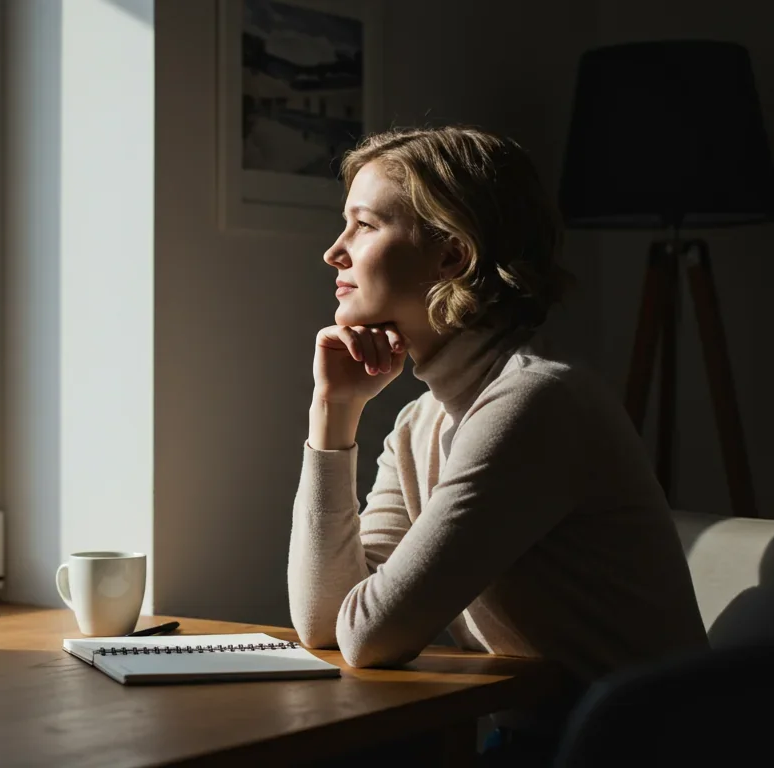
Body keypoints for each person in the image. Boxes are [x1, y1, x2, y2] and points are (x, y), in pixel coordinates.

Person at [287, 126, 709, 766]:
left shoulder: (535, 405)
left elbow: (369, 636)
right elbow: (324, 625)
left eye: (364, 225)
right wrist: (334, 412)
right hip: (537, 740)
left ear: (452, 256)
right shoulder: (419, 423)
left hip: (633, 749)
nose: (333, 252)